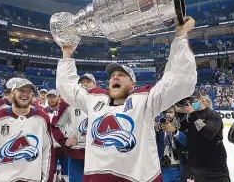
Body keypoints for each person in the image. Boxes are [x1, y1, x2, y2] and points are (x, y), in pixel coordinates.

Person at [56, 17, 197, 181]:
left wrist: (181, 36)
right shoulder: (95, 100)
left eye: (121, 75)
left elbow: (181, 81)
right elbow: (67, 88)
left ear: (132, 84)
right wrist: (67, 53)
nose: (115, 78)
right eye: (112, 76)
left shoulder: (145, 101)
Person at [0, 78, 54, 182]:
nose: (25, 94)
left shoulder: (43, 119)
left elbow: (47, 153)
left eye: (29, 91)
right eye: (21, 90)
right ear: (11, 93)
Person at [176, 95, 230, 182]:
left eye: (192, 99)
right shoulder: (188, 117)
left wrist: (193, 113)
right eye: (187, 101)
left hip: (214, 168)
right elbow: (178, 129)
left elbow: (207, 134)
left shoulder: (213, 115)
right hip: (193, 166)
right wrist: (179, 113)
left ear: (200, 99)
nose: (189, 103)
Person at [44, 89, 70, 182]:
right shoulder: (43, 112)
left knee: (66, 171)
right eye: (49, 97)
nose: (51, 99)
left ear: (59, 98)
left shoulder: (66, 110)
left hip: (64, 145)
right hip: (50, 146)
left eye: (54, 97)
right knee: (51, 171)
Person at [156, 106, 183, 182]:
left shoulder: (181, 126)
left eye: (170, 112)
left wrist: (174, 131)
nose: (167, 115)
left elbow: (186, 143)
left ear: (175, 114)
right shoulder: (158, 129)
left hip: (179, 168)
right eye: (165, 112)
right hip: (163, 168)